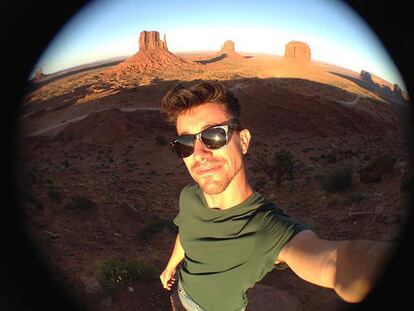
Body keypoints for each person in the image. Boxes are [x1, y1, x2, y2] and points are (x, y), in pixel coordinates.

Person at [159, 81, 394, 311]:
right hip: (179, 295)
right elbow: (187, 229)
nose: (199, 154)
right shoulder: (189, 196)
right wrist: (171, 266)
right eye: (185, 143)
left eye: (213, 135)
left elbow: (334, 262)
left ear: (243, 141)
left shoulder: (268, 228)